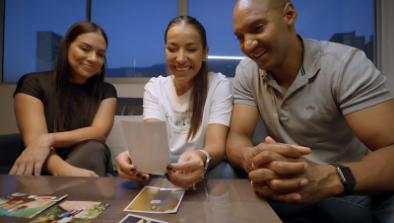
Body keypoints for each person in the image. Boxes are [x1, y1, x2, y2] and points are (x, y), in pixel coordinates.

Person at [226, 0, 394, 222]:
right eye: (240, 37)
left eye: (257, 28)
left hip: (348, 188)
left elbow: (390, 148)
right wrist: (251, 156)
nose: (247, 45)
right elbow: (238, 136)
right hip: (288, 184)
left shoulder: (344, 65)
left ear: (289, 14)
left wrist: (328, 178)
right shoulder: (248, 71)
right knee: (222, 180)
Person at [117, 16, 233, 189]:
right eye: (172, 49)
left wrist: (200, 156)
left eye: (191, 49)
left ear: (205, 53)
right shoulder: (155, 86)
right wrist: (134, 156)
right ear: (165, 50)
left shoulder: (218, 84)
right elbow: (152, 143)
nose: (180, 58)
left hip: (201, 166)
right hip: (164, 167)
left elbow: (216, 145)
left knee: (228, 172)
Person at [10, 21, 117, 177]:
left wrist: (48, 139)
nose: (93, 58)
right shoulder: (33, 82)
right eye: (85, 49)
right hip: (43, 166)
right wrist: (63, 171)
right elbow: (35, 143)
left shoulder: (106, 90)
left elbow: (99, 133)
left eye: (100, 54)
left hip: (88, 162)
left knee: (93, 147)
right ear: (66, 47)